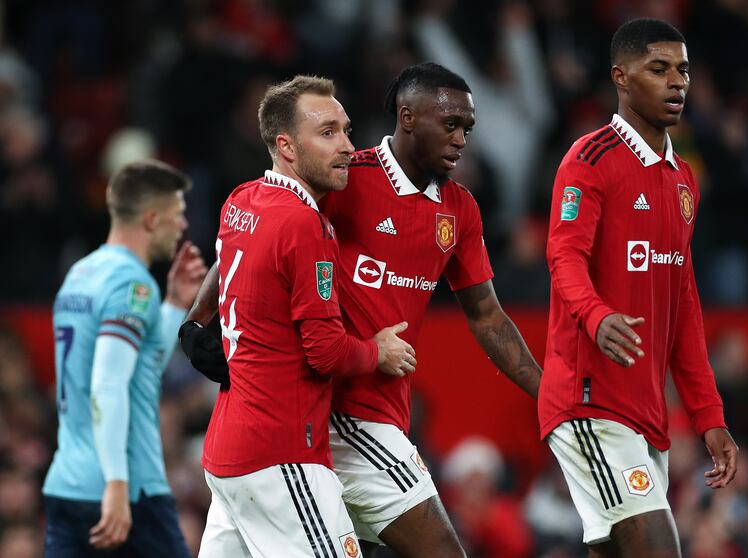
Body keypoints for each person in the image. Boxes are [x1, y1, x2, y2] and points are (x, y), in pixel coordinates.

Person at [181, 62, 542, 558]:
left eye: (468, 129)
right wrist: (200, 317)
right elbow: (259, 238)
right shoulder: (345, 180)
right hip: (337, 412)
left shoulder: (460, 209)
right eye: (451, 125)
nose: (462, 140)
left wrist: (548, 394)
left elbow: (487, 315)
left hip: (351, 418)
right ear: (408, 117)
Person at [541, 18, 739, 557]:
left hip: (647, 415)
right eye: (659, 69)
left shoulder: (683, 180)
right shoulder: (589, 160)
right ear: (621, 77)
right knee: (657, 547)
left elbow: (684, 304)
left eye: (683, 70)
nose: (677, 82)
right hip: (589, 401)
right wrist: (597, 315)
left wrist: (709, 417)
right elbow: (563, 255)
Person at [194, 75, 416, 558]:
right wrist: (378, 351)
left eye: (346, 129)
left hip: (228, 453)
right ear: (286, 146)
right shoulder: (305, 223)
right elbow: (325, 352)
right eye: (328, 133)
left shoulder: (241, 201)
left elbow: (220, 276)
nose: (347, 148)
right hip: (281, 455)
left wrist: (194, 321)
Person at [43, 160, 206, 557]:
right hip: (129, 488)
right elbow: (108, 383)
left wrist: (173, 306)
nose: (183, 225)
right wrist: (116, 484)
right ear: (151, 219)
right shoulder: (132, 284)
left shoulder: (80, 275)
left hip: (66, 482)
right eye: (177, 214)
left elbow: (135, 368)